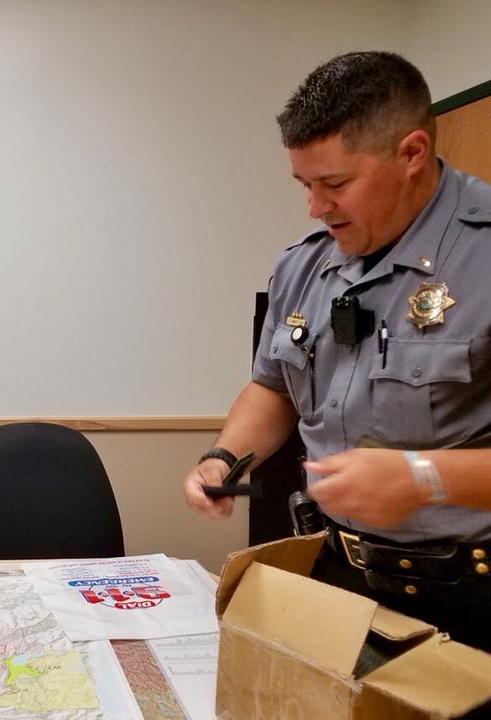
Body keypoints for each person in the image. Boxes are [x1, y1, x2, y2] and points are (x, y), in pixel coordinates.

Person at [182, 51, 491, 651]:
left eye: (335, 184)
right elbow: (273, 386)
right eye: (305, 185)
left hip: (469, 604)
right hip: (336, 581)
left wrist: (425, 478)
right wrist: (224, 458)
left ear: (411, 154)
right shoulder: (305, 264)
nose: (316, 208)